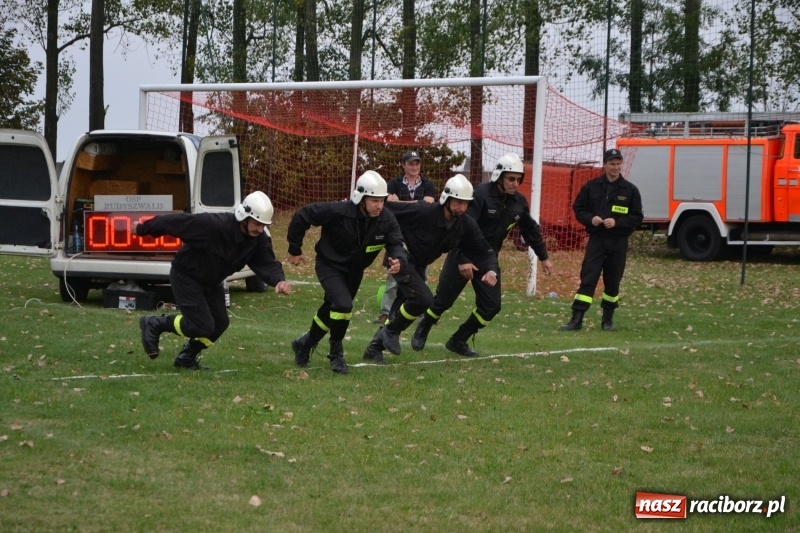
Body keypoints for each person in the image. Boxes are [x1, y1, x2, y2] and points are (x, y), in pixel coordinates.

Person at [410, 153, 554, 355]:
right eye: (511, 178)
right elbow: (458, 229)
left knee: (491, 306)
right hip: (461, 256)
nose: (515, 183)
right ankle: (425, 324)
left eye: (518, 179)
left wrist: (544, 257)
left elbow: (529, 230)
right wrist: (463, 260)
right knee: (442, 302)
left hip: (488, 261)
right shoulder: (479, 195)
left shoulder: (519, 202)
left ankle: (458, 340)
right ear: (499, 176)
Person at [135, 191, 292, 370]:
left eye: (263, 225)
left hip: (212, 281)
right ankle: (156, 323)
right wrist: (142, 229)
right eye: (257, 224)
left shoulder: (258, 238)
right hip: (187, 276)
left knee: (220, 323)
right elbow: (173, 222)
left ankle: (186, 359)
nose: (260, 229)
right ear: (244, 216)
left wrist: (278, 280)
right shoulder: (214, 225)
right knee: (201, 326)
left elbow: (266, 261)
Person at [363, 174, 499, 364]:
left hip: (418, 265)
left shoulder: (466, 225)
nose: (461, 207)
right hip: (401, 258)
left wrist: (491, 270)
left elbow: (484, 251)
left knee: (405, 307)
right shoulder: (423, 210)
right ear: (447, 199)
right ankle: (391, 332)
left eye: (465, 203)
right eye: (457, 202)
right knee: (423, 299)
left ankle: (374, 348)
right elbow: (387, 209)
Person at [287, 171, 407, 374]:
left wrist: (399, 260)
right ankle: (335, 354)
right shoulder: (338, 210)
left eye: (382, 200)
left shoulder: (386, 219)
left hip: (354, 271)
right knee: (343, 305)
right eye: (374, 200)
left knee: (333, 307)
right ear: (360, 197)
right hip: (329, 264)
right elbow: (303, 214)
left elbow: (396, 243)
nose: (379, 205)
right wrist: (295, 249)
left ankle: (304, 344)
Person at [559, 148, 644, 332]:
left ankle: (607, 321)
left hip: (618, 242)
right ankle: (576, 320)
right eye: (612, 164)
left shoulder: (630, 190)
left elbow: (637, 217)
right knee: (588, 279)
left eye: (618, 163)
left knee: (613, 282)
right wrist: (591, 219)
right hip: (597, 240)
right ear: (604, 165)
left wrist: (618, 222)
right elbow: (578, 208)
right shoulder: (592, 186)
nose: (615, 167)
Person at [375, 150, 437, 324]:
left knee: (421, 273)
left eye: (417, 163)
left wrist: (400, 203)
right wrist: (417, 205)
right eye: (410, 163)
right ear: (403, 165)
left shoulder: (428, 184)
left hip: (421, 236)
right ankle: (386, 313)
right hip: (398, 234)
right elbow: (388, 205)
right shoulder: (393, 184)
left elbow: (428, 206)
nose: (414, 167)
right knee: (394, 274)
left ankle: (421, 311)